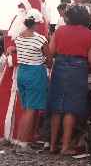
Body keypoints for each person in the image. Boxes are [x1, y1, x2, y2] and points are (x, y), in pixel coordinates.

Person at [48, 6, 91, 155]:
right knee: (70, 108)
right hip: (78, 68)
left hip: (60, 66)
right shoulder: (90, 34)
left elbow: (50, 52)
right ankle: (64, 147)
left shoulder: (59, 31)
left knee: (57, 107)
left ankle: (52, 146)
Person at [0, 0, 49, 144]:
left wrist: (12, 57)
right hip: (33, 71)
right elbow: (47, 54)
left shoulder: (19, 31)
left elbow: (9, 46)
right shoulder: (39, 33)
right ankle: (22, 140)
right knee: (29, 108)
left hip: (17, 71)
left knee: (21, 105)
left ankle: (12, 136)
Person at [9, 9, 51, 154]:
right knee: (31, 110)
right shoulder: (40, 39)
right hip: (35, 73)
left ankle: (20, 141)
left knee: (27, 109)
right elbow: (49, 59)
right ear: (37, 23)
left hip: (22, 72)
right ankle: (23, 144)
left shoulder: (19, 37)